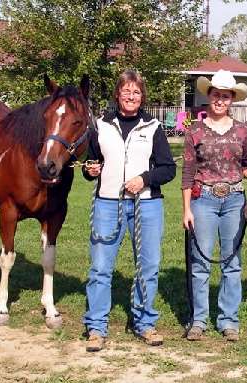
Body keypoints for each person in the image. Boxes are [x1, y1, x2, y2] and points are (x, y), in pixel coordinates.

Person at [82, 70, 176, 351]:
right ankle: (96, 327)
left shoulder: (153, 127)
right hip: (108, 204)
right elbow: (90, 165)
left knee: (147, 267)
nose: (131, 97)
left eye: (136, 92)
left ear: (142, 97)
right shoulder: (100, 126)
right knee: (100, 268)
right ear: (118, 95)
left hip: (146, 205)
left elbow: (168, 169)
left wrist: (144, 179)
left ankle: (145, 322)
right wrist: (91, 169)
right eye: (126, 91)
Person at [181, 70, 247, 342]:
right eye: (216, 95)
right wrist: (186, 209)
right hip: (203, 200)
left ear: (232, 99)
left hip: (235, 200)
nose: (220, 100)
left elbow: (245, 166)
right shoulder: (194, 131)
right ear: (208, 96)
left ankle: (228, 320)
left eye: (225, 96)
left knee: (232, 263)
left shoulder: (243, 132)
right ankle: (199, 319)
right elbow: (188, 172)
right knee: (200, 262)